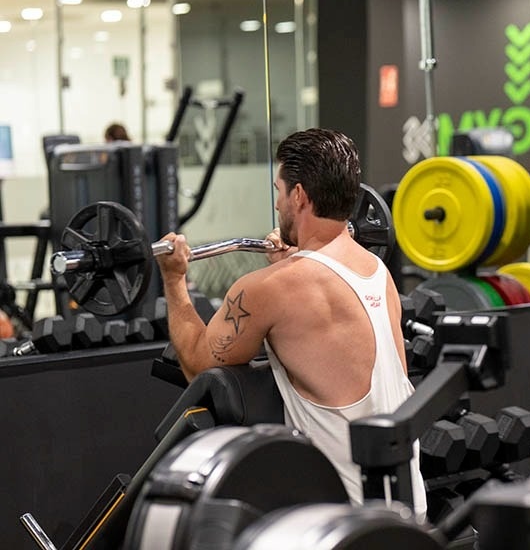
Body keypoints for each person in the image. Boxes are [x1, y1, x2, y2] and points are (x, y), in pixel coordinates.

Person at [155, 128, 425, 514]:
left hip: (347, 527)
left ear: (298, 196)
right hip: (408, 515)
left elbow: (197, 364)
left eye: (278, 191)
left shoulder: (272, 289)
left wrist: (174, 278)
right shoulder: (377, 272)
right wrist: (291, 264)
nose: (278, 203)